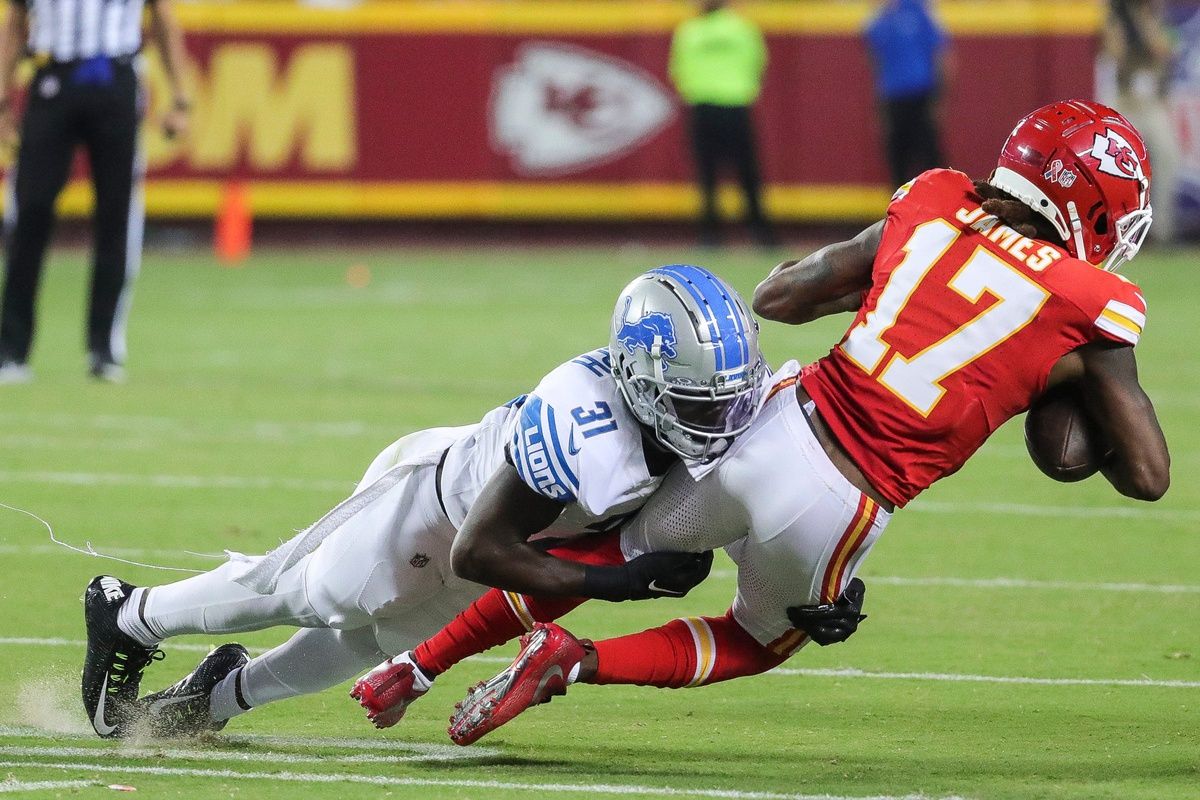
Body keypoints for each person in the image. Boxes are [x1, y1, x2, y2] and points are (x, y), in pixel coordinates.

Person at [352, 100, 1170, 745]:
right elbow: (1146, 475)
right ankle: (578, 663)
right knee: (758, 639)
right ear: (1092, 210)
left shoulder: (936, 197)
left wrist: (897, 285)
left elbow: (780, 297)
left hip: (771, 422)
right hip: (843, 500)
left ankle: (414, 668)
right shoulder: (1094, 302)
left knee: (610, 551)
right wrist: (1076, 376)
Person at [80, 264, 767, 739]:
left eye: (729, 399)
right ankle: (131, 614)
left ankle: (212, 699)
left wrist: (809, 589)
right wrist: (615, 582)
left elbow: (744, 493)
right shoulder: (583, 424)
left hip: (494, 545)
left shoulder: (684, 415)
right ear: (642, 382)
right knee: (314, 595)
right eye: (698, 404)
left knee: (367, 644)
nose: (723, 421)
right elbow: (481, 546)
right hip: (436, 512)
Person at [0, 0, 191, 384]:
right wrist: (3, 101)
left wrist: (181, 97)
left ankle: (104, 346)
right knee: (30, 210)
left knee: (116, 213)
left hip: (116, 78)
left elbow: (164, 19)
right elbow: (16, 23)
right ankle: (11, 349)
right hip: (53, 77)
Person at [669, 0, 774, 248]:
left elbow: (677, 70)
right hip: (735, 105)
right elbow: (758, 64)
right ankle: (760, 232)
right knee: (747, 173)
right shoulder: (742, 27)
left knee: (707, 174)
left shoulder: (689, 31)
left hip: (703, 106)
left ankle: (710, 234)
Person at [1100, 0, 1179, 244]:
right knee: (1115, 165)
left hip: (1152, 102)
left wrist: (1145, 24)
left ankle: (1162, 232)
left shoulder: (1155, 15)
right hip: (1126, 102)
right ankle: (1118, 233)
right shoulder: (1116, 12)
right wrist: (1126, 24)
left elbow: (1164, 50)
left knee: (1167, 156)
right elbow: (1116, 54)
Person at [864, 0, 950, 189]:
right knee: (897, 163)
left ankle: (938, 210)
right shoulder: (880, 16)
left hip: (920, 98)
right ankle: (902, 213)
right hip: (894, 100)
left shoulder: (918, 9)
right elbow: (874, 54)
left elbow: (941, 54)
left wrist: (939, 97)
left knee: (931, 163)